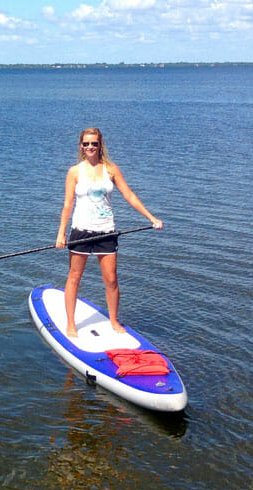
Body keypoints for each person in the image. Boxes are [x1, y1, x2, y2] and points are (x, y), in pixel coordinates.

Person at [55, 128, 163, 338]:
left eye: (94, 143)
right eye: (86, 144)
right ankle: (71, 323)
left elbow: (129, 195)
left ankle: (113, 320)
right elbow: (68, 204)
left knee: (111, 280)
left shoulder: (111, 170)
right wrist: (61, 233)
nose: (90, 147)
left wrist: (151, 218)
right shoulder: (74, 172)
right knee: (74, 277)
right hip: (81, 231)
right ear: (81, 146)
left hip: (106, 231)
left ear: (100, 145)